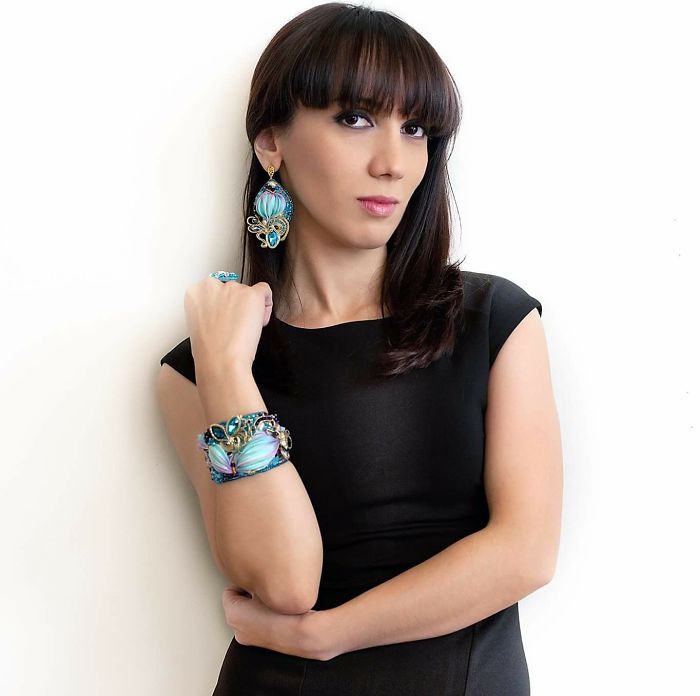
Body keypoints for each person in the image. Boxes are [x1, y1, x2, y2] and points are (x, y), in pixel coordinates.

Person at [157, 3, 563, 694]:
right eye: (354, 118)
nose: (392, 163)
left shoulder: (491, 319)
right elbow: (286, 583)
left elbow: (525, 553)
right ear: (271, 144)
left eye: (415, 129)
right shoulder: (198, 371)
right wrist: (226, 370)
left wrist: (330, 635)